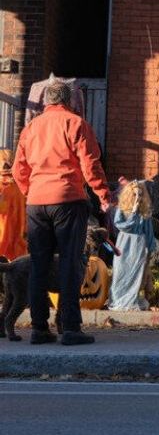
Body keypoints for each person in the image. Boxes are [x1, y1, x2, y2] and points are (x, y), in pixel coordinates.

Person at [11, 79, 110, 345]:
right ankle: (70, 328)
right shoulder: (76, 124)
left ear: (46, 101)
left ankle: (39, 328)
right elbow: (91, 164)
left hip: (36, 201)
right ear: (68, 101)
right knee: (69, 263)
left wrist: (31, 192)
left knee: (39, 265)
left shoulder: (31, 127)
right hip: (68, 200)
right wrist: (103, 195)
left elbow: (19, 169)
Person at [108, 181, 157, 311]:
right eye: (134, 194)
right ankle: (118, 299)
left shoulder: (144, 212)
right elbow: (121, 225)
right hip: (124, 244)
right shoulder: (122, 209)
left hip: (138, 245)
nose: (137, 197)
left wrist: (151, 248)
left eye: (140, 195)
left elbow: (149, 232)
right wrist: (133, 213)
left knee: (135, 273)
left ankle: (131, 300)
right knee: (121, 271)